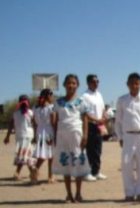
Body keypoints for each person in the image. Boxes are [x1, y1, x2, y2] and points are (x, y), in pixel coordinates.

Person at [115, 73, 140, 202]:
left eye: (137, 83)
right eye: (132, 83)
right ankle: (129, 192)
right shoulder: (122, 100)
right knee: (126, 165)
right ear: (127, 84)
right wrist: (120, 136)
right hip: (127, 136)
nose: (135, 86)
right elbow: (118, 120)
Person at [51, 74, 91, 203]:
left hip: (76, 134)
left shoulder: (82, 101)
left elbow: (85, 119)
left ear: (77, 85)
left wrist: (85, 135)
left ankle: (78, 194)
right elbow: (55, 121)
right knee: (66, 164)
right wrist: (54, 136)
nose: (71, 85)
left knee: (78, 163)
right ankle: (69, 194)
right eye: (69, 83)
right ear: (64, 85)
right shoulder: (58, 103)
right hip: (62, 135)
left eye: (74, 83)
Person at [3, 95, 36, 182]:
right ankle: (18, 173)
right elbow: (35, 124)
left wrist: (7, 136)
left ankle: (31, 172)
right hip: (27, 137)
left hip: (21, 137)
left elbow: (10, 126)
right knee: (25, 155)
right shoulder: (30, 112)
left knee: (25, 155)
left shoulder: (15, 113)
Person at [80, 74, 107, 182]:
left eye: (97, 81)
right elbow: (85, 113)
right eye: (93, 81)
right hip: (90, 125)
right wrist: (96, 119)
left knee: (98, 149)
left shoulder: (99, 95)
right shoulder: (84, 96)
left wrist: (104, 117)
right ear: (88, 83)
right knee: (90, 150)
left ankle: (96, 171)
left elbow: (103, 108)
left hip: (99, 125)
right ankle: (88, 172)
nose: (96, 83)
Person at [33, 89, 56, 183]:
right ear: (48, 96)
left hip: (39, 131)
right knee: (50, 155)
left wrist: (35, 134)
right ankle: (50, 176)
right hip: (49, 131)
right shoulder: (51, 107)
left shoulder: (36, 107)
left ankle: (36, 171)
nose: (52, 97)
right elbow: (53, 122)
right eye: (51, 95)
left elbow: (34, 122)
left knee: (43, 153)